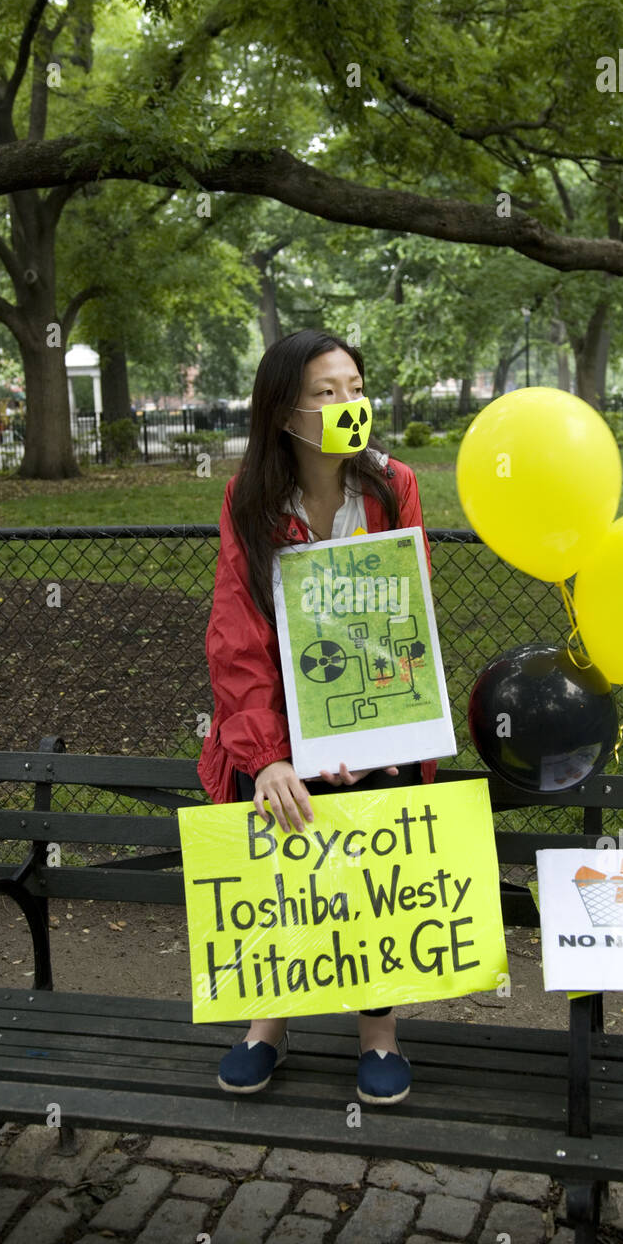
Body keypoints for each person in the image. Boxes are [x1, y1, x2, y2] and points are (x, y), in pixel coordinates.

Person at [197, 328, 437, 1105]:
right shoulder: (249, 499)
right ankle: (270, 1019)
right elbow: (238, 637)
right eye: (327, 393)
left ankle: (378, 1032)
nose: (348, 404)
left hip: (379, 716)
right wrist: (267, 755)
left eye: (355, 388)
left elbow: (406, 614)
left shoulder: (394, 486)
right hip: (283, 725)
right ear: (284, 413)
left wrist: (374, 737)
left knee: (375, 856)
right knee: (281, 824)